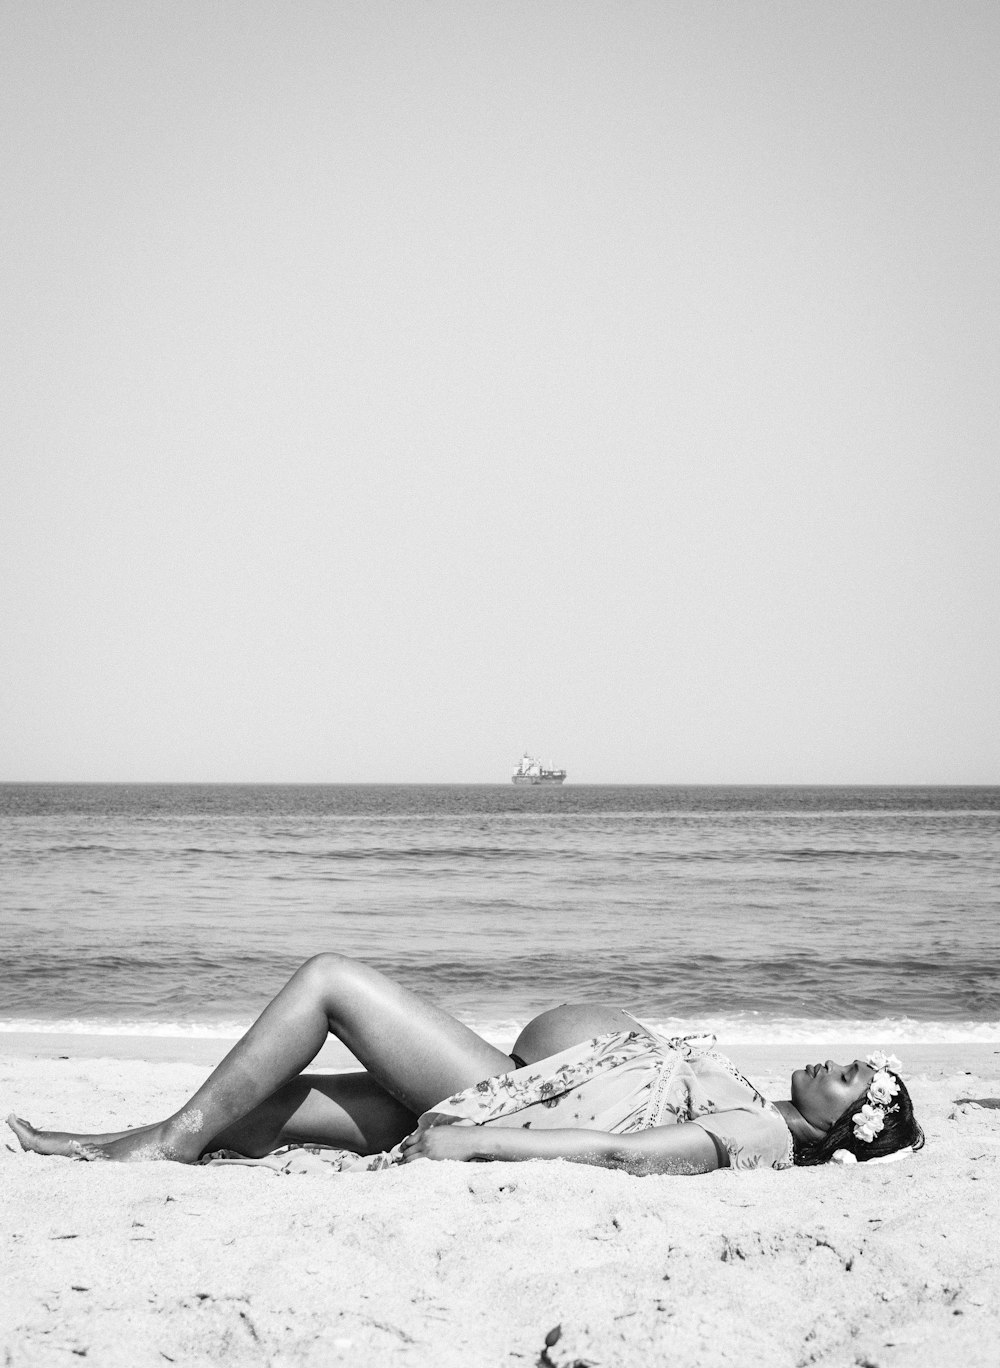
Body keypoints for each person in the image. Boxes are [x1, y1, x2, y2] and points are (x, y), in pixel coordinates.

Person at [6, 954, 923, 1175]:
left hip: (495, 1104)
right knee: (271, 1113)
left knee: (331, 981)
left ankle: (162, 1143)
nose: (831, 1060)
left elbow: (628, 1155)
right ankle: (96, 1146)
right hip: (505, 1092)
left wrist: (478, 1149)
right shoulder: (762, 1111)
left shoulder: (759, 1129)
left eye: (847, 1077)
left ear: (842, 1127)